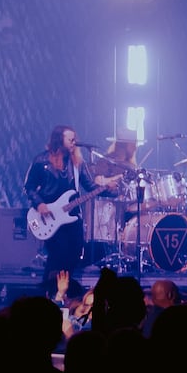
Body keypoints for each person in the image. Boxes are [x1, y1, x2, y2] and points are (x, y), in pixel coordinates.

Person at [23, 124, 115, 299]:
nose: (75, 142)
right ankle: (49, 292)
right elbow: (29, 187)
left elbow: (90, 186)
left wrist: (108, 188)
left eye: (75, 139)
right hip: (49, 216)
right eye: (70, 139)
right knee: (58, 256)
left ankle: (60, 292)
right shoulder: (42, 161)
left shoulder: (77, 164)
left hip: (72, 218)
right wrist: (40, 205)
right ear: (59, 140)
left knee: (74, 254)